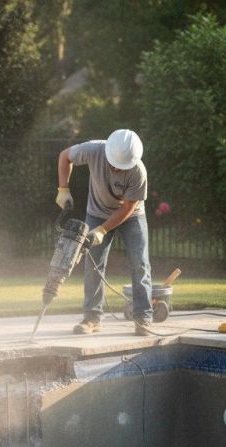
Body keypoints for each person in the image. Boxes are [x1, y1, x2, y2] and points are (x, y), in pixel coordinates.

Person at [55, 129, 152, 336]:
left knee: (140, 263)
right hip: (97, 212)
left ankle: (143, 316)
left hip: (132, 216)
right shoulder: (93, 149)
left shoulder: (138, 171)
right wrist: (63, 189)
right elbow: (64, 156)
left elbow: (127, 208)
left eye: (121, 166)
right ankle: (92, 319)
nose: (116, 168)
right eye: (114, 164)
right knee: (93, 265)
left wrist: (103, 230)